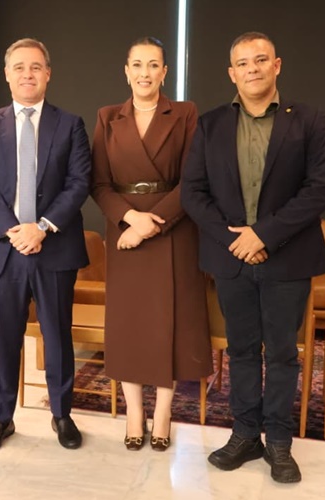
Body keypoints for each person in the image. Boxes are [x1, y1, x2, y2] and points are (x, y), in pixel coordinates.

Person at [181, 32, 325, 483]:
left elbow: (320, 189)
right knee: (243, 350)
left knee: (283, 354)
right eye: (242, 63)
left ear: (277, 66)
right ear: (232, 73)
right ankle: (245, 434)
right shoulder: (209, 125)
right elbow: (193, 192)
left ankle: (280, 443)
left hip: (287, 259)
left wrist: (263, 234)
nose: (252, 68)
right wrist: (237, 240)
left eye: (260, 60)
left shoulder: (309, 120)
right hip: (231, 259)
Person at [0, 38, 91, 453]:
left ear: (48, 73)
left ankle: (62, 414)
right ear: (7, 74)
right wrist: (14, 230)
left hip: (53, 246)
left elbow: (79, 183)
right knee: (5, 337)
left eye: (36, 66)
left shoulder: (70, 124)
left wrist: (40, 227)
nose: (27, 74)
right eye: (19, 66)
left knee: (57, 334)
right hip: (4, 249)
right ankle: (1, 418)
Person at [90, 37, 212, 452]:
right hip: (124, 229)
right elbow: (99, 183)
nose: (145, 72)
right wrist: (129, 219)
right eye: (137, 64)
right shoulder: (108, 117)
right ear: (125, 71)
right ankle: (134, 413)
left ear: (165, 72)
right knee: (130, 325)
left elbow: (194, 179)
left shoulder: (185, 113)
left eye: (153, 65)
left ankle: (162, 412)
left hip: (172, 227)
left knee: (169, 322)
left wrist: (150, 225)